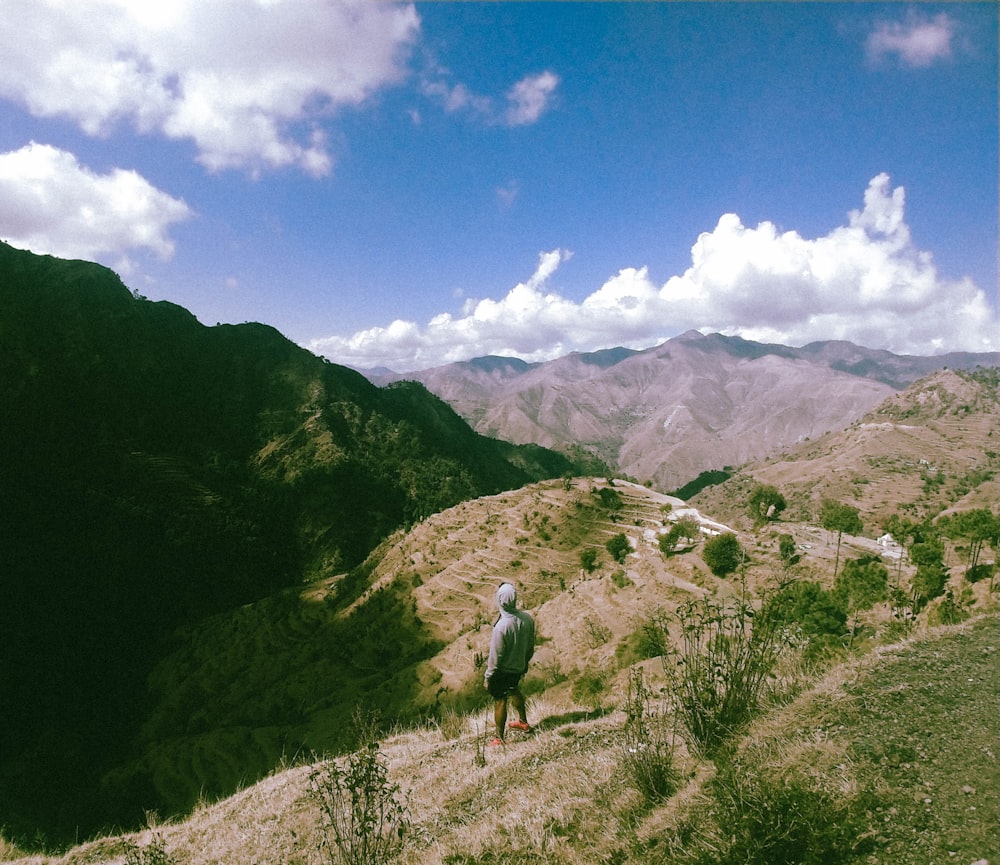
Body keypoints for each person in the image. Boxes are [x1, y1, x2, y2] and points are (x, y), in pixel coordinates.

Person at [484, 582, 535, 745]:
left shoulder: (501, 627)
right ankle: (523, 722)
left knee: (500, 700)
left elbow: (495, 657)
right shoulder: (527, 619)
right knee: (514, 689)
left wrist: (488, 677)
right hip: (518, 666)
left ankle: (499, 738)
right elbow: (530, 645)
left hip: (503, 670)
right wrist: (525, 662)